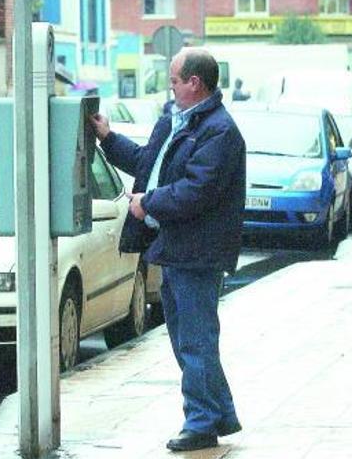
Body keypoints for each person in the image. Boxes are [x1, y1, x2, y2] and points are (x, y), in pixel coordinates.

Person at [90, 47, 245, 452]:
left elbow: (198, 191)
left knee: (195, 340)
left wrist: (149, 203)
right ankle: (217, 413)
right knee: (187, 340)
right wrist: (108, 137)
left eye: (174, 80)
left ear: (195, 83)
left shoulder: (219, 131)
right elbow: (147, 163)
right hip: (174, 247)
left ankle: (202, 423)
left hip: (198, 251)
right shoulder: (176, 123)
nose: (170, 87)